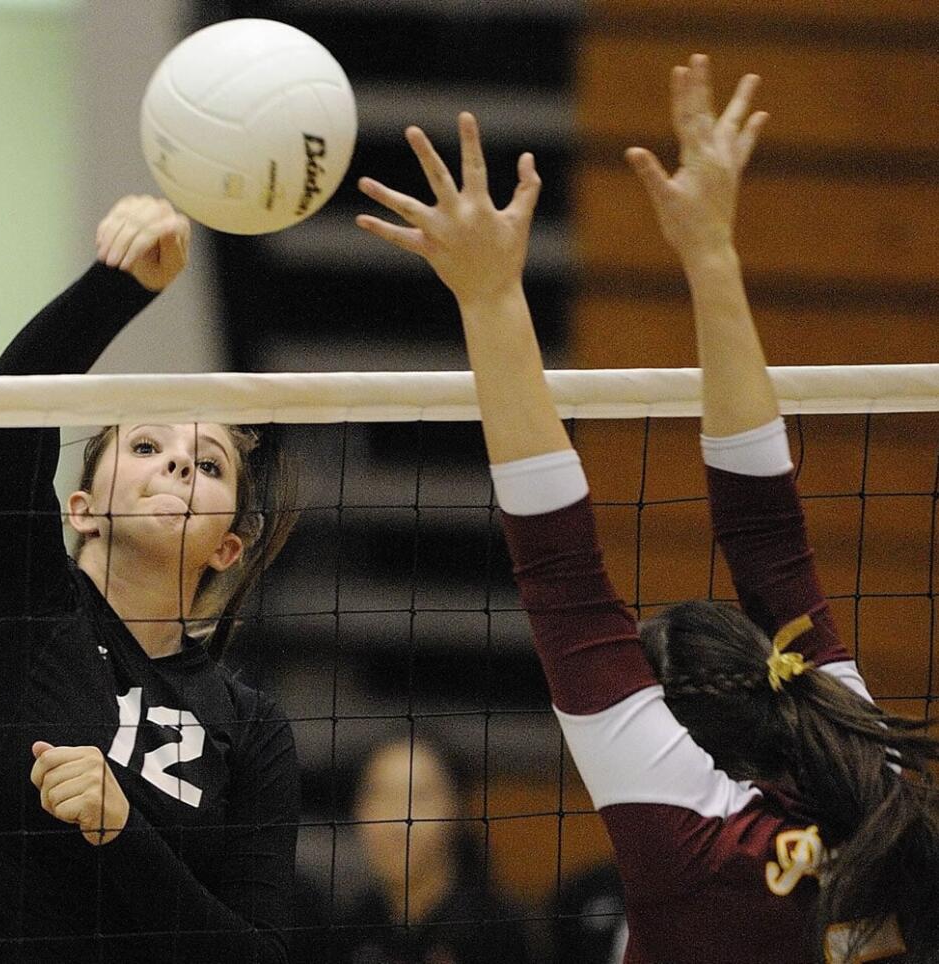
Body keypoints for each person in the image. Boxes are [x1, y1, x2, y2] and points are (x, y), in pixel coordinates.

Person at [355, 56, 939, 964]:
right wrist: (707, 250)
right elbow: (753, 538)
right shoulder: (872, 776)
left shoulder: (688, 832)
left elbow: (584, 572)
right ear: (769, 671)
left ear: (679, 723)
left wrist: (488, 296)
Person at [0, 196, 300, 962]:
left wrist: (123, 833)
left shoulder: (248, 729)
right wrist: (119, 286)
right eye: (146, 445)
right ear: (81, 509)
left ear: (228, 547)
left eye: (208, 464)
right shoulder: (10, 596)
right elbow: (9, 411)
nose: (178, 462)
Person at [330, 733, 537, 964]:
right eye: (380, 795)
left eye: (420, 797)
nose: (398, 822)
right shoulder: (350, 927)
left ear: (457, 809)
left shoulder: (495, 930)